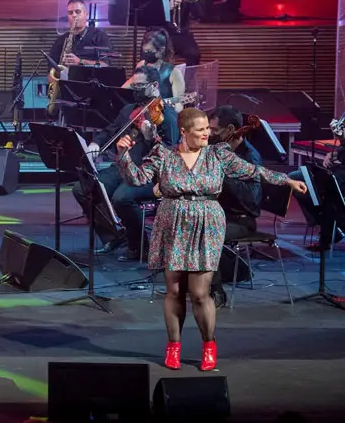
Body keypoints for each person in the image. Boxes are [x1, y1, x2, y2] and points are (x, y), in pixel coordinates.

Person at [116, 107, 305, 371]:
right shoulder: (163, 154)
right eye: (201, 130)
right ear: (184, 131)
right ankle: (173, 346)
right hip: (173, 222)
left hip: (207, 223)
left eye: (208, 128)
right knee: (174, 290)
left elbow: (253, 171)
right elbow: (137, 178)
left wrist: (286, 180)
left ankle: (208, 344)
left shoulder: (219, 155)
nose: (207, 134)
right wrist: (123, 155)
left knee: (200, 292)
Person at [72, 66, 179, 260]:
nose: (135, 90)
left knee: (121, 198)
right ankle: (114, 235)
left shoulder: (168, 116)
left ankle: (140, 246)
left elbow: (171, 153)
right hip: (123, 166)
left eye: (140, 86)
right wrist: (96, 142)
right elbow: (111, 130)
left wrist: (150, 138)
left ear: (154, 86)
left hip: (149, 173)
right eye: (134, 86)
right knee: (82, 188)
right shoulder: (130, 110)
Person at [207, 105, 264, 306]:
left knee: (207, 233)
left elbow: (252, 200)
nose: (209, 134)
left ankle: (217, 292)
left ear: (230, 130)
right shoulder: (217, 150)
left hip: (240, 220)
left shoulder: (249, 157)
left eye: (214, 130)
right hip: (218, 214)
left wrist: (225, 175)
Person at [290, 144, 345, 252]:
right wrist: (332, 154)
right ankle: (325, 223)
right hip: (338, 170)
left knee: (328, 191)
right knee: (295, 178)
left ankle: (332, 228)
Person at [122, 28, 185, 105]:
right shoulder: (142, 64)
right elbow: (125, 88)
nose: (146, 54)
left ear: (161, 50)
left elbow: (178, 105)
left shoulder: (174, 72)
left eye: (149, 51)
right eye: (144, 51)